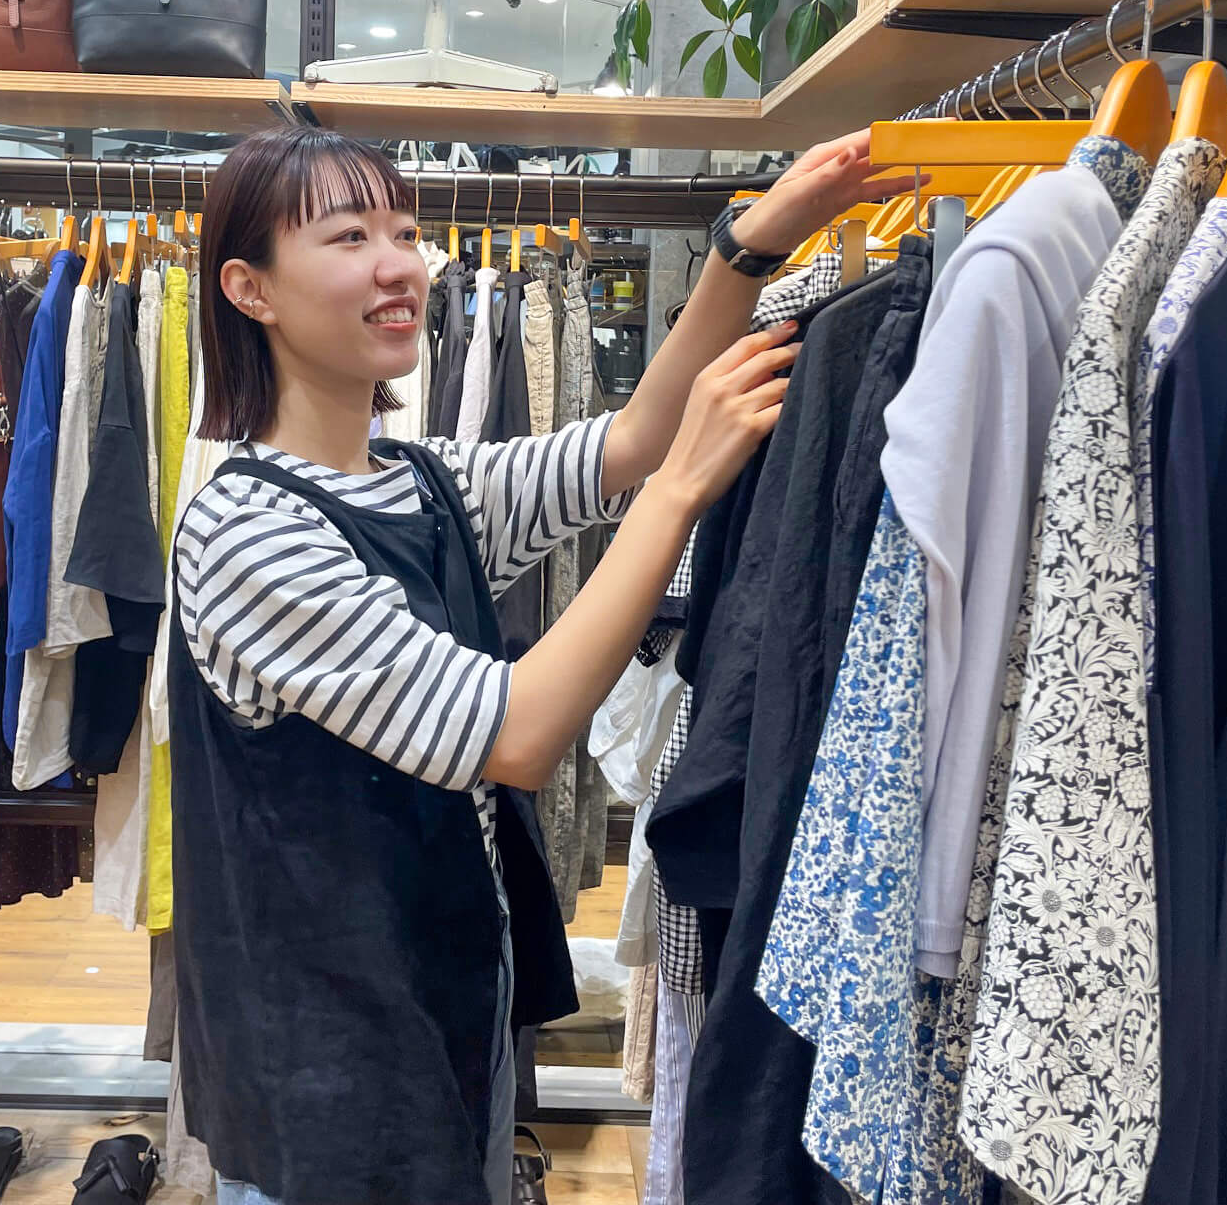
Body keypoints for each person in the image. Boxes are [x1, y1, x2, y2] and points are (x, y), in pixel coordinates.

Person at [168, 126, 915, 1205]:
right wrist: (677, 495)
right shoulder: (246, 532)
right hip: (319, 1045)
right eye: (349, 238)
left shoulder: (426, 480)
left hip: (446, 992)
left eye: (405, 233)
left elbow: (632, 439)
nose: (399, 266)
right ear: (250, 289)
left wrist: (747, 246)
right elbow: (514, 733)